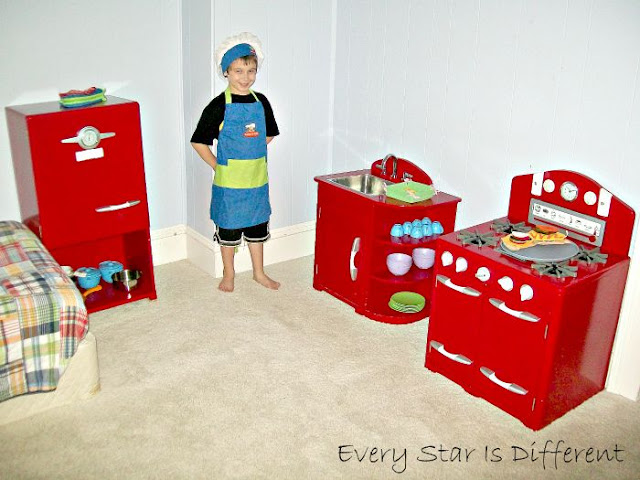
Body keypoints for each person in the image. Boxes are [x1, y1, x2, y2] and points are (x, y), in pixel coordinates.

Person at [191, 32, 280, 293]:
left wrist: (251, 150)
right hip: (229, 184)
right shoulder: (218, 105)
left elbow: (269, 134)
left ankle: (259, 273)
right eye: (239, 70)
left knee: (256, 228)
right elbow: (199, 142)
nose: (246, 77)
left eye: (251, 70)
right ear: (226, 72)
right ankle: (228, 273)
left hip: (256, 180)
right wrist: (218, 165)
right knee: (229, 232)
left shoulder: (261, 102)